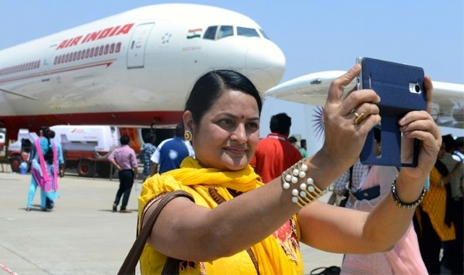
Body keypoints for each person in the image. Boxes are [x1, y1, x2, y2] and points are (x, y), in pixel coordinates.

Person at [136, 66, 440, 274]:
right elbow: (211, 237)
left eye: (252, 125)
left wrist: (412, 177)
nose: (241, 137)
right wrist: (328, 160)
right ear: (190, 124)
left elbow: (373, 235)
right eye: (226, 122)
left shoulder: (275, 203)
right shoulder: (164, 196)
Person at [341, 127, 428, 274]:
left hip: (384, 234)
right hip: (371, 233)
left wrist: (358, 203)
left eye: (369, 141)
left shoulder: (384, 167)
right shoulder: (370, 166)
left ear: (380, 144)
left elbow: (389, 201)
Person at [413, 140, 457, 274]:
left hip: (438, 213)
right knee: (429, 250)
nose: (443, 151)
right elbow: (439, 182)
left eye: (444, 148)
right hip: (429, 213)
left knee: (434, 249)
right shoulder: (428, 165)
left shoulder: (439, 164)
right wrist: (456, 170)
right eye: (441, 149)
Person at [250, 113, 302, 183]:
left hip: (259, 191)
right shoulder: (295, 153)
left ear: (270, 127)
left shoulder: (257, 146)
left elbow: (250, 172)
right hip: (284, 193)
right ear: (288, 129)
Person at [439, 135, 463, 274]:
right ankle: (456, 265)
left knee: (444, 233)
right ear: (453, 147)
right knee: (457, 236)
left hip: (442, 204)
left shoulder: (434, 163)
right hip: (457, 204)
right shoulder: (458, 163)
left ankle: (446, 261)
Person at [26, 127, 63, 211]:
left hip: (35, 165)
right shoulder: (52, 143)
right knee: (44, 186)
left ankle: (29, 205)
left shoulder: (36, 141)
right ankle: (43, 206)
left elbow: (31, 155)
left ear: (41, 133)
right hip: (45, 168)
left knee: (33, 185)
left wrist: (29, 166)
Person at [108, 134, 139, 213]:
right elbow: (135, 164)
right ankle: (123, 207)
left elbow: (110, 158)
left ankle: (115, 203)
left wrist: (117, 166)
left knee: (121, 188)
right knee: (127, 190)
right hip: (128, 171)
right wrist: (136, 173)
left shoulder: (117, 150)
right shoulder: (130, 151)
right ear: (128, 142)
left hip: (121, 171)